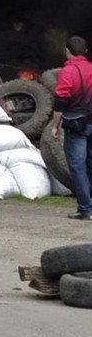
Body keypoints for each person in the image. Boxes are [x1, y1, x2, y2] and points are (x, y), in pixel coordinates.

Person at [49, 36, 92, 221]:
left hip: (76, 125)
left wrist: (55, 126)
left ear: (67, 51)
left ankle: (85, 209)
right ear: (86, 52)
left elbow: (61, 100)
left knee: (77, 167)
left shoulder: (68, 71)